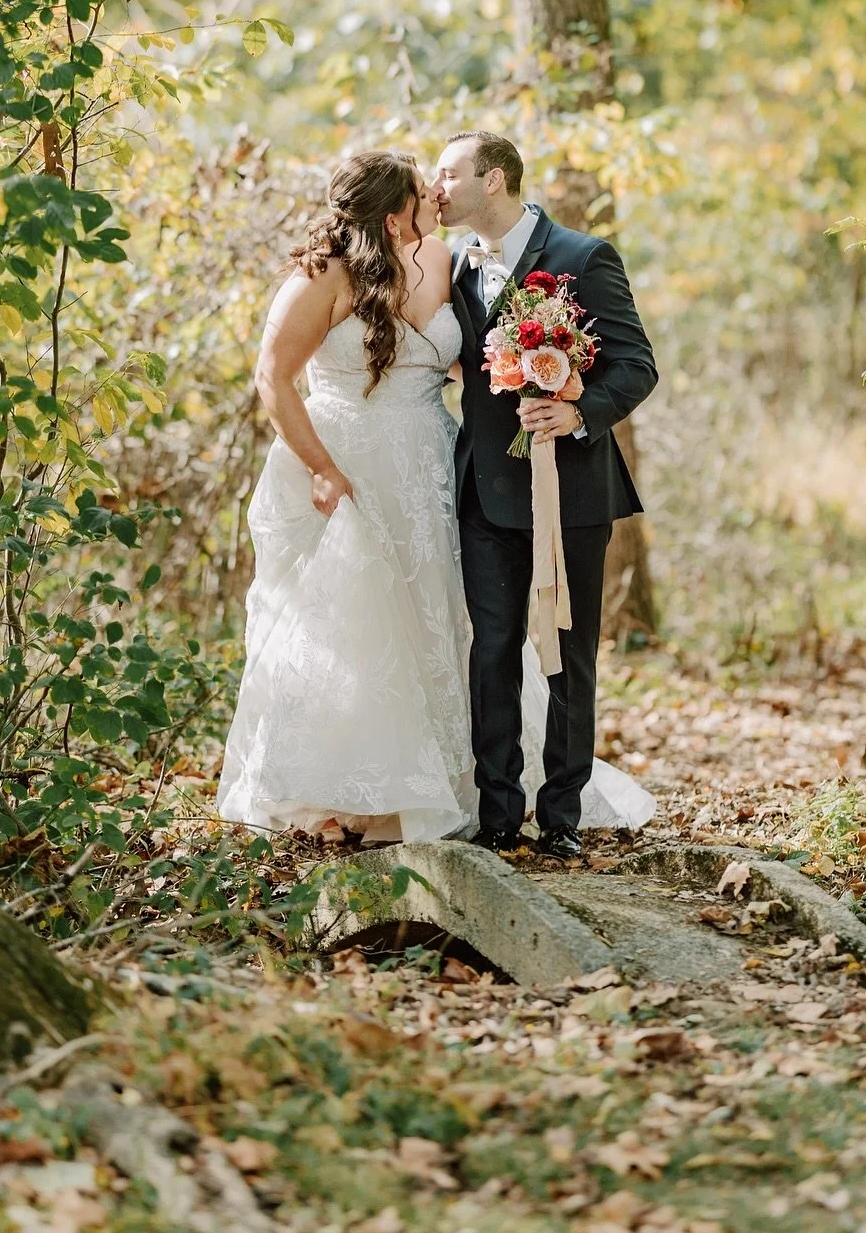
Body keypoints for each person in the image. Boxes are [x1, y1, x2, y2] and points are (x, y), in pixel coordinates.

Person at [217, 149, 652, 846]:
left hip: (434, 468)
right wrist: (322, 469)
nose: (436, 196)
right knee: (352, 623)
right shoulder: (319, 276)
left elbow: (471, 361)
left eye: (442, 181)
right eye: (425, 191)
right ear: (394, 216)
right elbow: (272, 377)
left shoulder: (448, 263)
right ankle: (350, 790)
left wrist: (556, 381)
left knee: (447, 625)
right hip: (349, 465)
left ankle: (474, 791)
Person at [433, 131, 659, 860]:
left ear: (492, 180)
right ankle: (498, 815)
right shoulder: (454, 270)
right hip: (485, 493)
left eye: (449, 174)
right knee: (491, 649)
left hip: (574, 489)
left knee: (570, 650)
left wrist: (580, 410)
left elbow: (636, 364)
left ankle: (561, 814)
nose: (437, 188)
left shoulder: (583, 258)